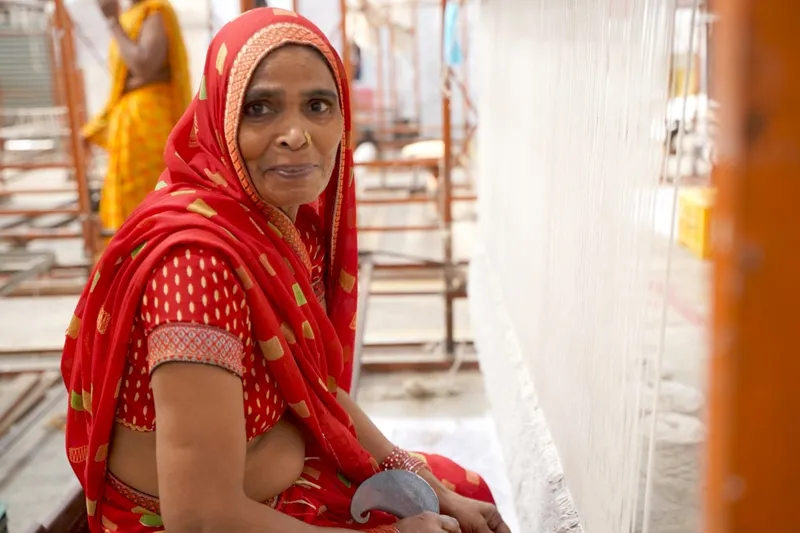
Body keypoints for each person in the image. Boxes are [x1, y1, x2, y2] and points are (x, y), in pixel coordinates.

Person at [61, 8, 510, 533]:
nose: (296, 135)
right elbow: (201, 519)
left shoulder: (285, 229)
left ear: (342, 120)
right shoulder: (198, 270)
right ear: (221, 118)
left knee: (465, 492)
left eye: (317, 106)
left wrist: (431, 488)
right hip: (203, 521)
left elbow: (316, 389)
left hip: (287, 484)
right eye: (260, 108)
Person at [82, 0, 191, 235]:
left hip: (150, 123)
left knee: (153, 208)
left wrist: (112, 21)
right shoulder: (131, 15)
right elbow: (129, 76)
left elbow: (143, 65)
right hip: (130, 123)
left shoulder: (154, 11)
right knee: (130, 210)